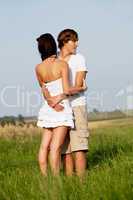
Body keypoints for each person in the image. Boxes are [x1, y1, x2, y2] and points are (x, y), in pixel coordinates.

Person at [35, 33, 85, 176]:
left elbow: (44, 89)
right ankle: (56, 180)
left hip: (48, 108)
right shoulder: (62, 64)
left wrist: (51, 102)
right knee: (56, 147)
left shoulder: (38, 68)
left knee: (44, 146)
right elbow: (67, 90)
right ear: (53, 46)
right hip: (62, 109)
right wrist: (81, 88)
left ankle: (45, 178)